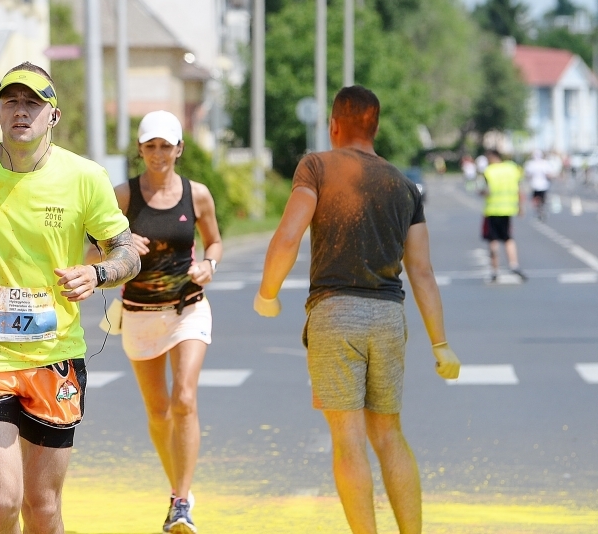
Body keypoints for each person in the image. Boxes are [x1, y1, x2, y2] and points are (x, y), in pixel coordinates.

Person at [0, 61, 140, 534]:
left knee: (42, 508)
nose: (22, 111)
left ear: (52, 116)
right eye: (12, 101)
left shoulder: (85, 177)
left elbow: (126, 252)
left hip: (54, 356)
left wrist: (97, 273)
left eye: (34, 102)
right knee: (2, 502)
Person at [253, 85, 460, 534]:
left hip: (335, 313)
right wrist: (441, 344)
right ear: (376, 127)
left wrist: (267, 293)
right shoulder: (404, 186)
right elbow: (422, 272)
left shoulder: (317, 166)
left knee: (348, 442)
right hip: (388, 317)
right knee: (389, 435)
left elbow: (288, 235)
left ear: (333, 124)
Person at [99, 110, 222, 534]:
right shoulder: (123, 197)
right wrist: (120, 244)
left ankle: (182, 501)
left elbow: (216, 241)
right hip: (138, 313)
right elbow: (91, 253)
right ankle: (177, 490)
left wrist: (209, 264)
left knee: (184, 400)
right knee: (158, 412)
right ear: (139, 149)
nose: (158, 154)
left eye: (165, 146)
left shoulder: (198, 194)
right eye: (150, 146)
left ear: (179, 149)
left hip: (188, 307)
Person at [481, 149, 527, 282]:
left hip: (493, 210)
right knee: (508, 238)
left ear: (492, 157)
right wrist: (521, 206)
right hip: (508, 209)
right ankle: (514, 264)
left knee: (493, 240)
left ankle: (495, 270)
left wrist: (481, 192)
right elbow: (519, 188)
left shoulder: (489, 171)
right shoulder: (512, 169)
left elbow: (486, 190)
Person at [523, 149, 553, 221]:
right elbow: (549, 174)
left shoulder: (531, 164)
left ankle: (539, 210)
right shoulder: (545, 163)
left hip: (535, 185)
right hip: (543, 185)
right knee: (542, 199)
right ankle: (541, 209)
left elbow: (527, 175)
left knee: (536, 199)